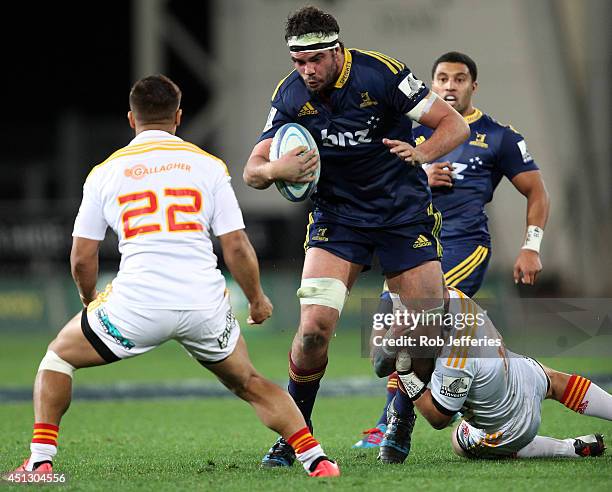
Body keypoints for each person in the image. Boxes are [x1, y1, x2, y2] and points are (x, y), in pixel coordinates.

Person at [7, 75, 339, 480]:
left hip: (136, 304)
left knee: (57, 357)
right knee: (250, 381)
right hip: (203, 302)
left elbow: (82, 256)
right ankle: (317, 461)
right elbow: (235, 245)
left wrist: (88, 296)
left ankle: (40, 462)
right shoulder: (207, 165)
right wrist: (256, 299)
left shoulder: (104, 173)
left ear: (131, 119)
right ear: (179, 117)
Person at [243, 6, 469, 468]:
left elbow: (455, 124)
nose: (307, 71)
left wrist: (422, 151)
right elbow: (252, 170)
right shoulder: (289, 95)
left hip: (402, 217)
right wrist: (274, 169)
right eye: (298, 61)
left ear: (337, 50)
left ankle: (400, 417)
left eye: (316, 60)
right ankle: (295, 435)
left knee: (428, 330)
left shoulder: (382, 74)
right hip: (338, 221)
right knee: (311, 333)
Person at [353, 51, 551, 457]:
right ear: (432, 84)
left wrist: (531, 248)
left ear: (473, 86)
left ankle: (394, 424)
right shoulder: (413, 130)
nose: (449, 86)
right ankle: (406, 415)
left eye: (459, 79)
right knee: (406, 330)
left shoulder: (499, 136)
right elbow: (376, 177)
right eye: (442, 78)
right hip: (416, 245)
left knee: (418, 323)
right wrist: (418, 170)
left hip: (465, 245)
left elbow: (537, 191)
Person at [379, 286, 609, 460]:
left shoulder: (454, 358)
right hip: (522, 375)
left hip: (510, 429)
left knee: (459, 437)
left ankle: (566, 448)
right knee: (556, 380)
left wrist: (407, 376)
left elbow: (439, 419)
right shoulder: (456, 297)